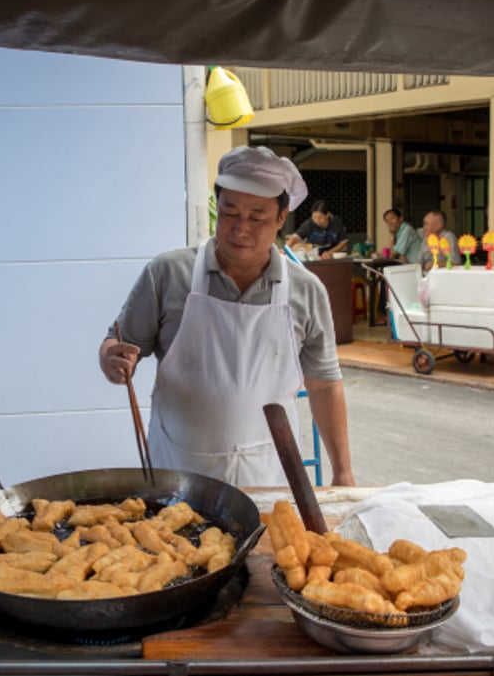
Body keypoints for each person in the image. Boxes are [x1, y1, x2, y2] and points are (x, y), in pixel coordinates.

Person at [99, 146, 355, 487]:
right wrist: (110, 358)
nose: (240, 229)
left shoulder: (306, 290)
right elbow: (120, 342)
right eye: (229, 212)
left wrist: (343, 472)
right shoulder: (167, 273)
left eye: (257, 216)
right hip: (179, 472)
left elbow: (323, 385)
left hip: (269, 474)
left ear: (281, 218)